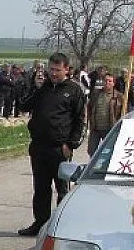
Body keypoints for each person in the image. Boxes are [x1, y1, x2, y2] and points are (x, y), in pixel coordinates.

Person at [18, 52, 85, 237]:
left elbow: (80, 120)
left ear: (66, 69)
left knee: (62, 189)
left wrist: (71, 144)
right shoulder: (43, 88)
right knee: (40, 188)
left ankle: (62, 225)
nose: (53, 73)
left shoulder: (74, 90)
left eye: (57, 70)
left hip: (60, 148)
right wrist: (34, 86)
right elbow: (24, 105)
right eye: (51, 69)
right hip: (39, 147)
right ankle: (40, 223)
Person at [86, 73, 119, 155]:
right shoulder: (96, 94)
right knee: (92, 151)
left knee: (108, 152)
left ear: (113, 83)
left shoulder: (119, 97)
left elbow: (123, 113)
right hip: (95, 128)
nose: (107, 83)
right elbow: (89, 107)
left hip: (109, 129)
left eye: (110, 81)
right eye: (105, 80)